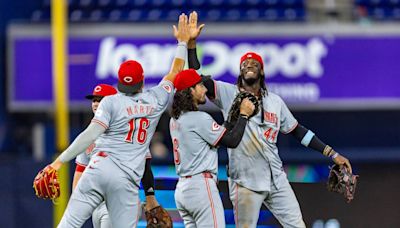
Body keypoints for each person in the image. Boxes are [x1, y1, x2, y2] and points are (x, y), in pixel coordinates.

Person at [187, 15, 353, 228]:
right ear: (240, 71)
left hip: (276, 179)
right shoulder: (228, 93)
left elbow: (298, 131)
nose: (249, 65)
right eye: (244, 63)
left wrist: (332, 153)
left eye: (253, 63)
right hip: (244, 182)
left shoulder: (275, 101)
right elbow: (198, 80)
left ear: (261, 70)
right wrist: (192, 44)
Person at [38, 13, 191, 228]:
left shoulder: (110, 102)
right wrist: (183, 42)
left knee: (68, 224)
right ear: (143, 81)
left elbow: (90, 135)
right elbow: (175, 71)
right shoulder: (157, 98)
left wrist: (58, 162)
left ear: (120, 82)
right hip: (125, 180)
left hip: (99, 169)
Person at [170, 69, 255, 227]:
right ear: (190, 91)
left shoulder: (175, 119)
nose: (205, 89)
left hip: (183, 189)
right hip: (201, 188)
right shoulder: (200, 119)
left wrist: (230, 120)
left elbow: (215, 138)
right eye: (200, 86)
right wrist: (243, 115)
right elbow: (232, 141)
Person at [72, 83, 160, 228]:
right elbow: (80, 171)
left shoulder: (130, 131)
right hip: (97, 206)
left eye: (101, 99)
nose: (96, 103)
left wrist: (150, 197)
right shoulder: (88, 136)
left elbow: (145, 167)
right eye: (94, 100)